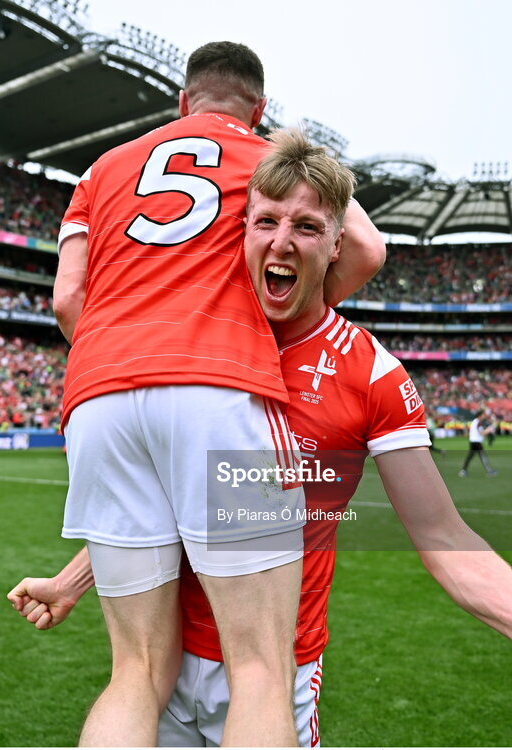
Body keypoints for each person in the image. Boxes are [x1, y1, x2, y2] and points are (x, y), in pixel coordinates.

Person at [10, 131, 512, 745]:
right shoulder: (191, 357)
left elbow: (442, 536)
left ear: (337, 245)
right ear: (241, 232)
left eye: (307, 227)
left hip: (273, 669)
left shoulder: (367, 370)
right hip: (167, 662)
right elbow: (169, 497)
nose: (282, 243)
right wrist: (74, 579)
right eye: (266, 223)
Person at [47, 42, 385, 747]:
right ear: (258, 109)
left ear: (182, 101)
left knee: (135, 671)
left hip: (99, 390)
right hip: (219, 382)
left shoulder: (101, 170)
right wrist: (279, 324)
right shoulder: (265, 160)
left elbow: (66, 297)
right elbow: (367, 250)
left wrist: (122, 359)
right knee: (260, 668)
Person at [459, 409, 498, 477]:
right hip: (477, 442)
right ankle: (489, 471)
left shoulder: (475, 421)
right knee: (483, 456)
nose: (485, 416)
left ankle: (463, 471)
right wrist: (489, 430)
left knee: (470, 457)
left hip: (473, 441)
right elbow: (481, 433)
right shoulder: (478, 422)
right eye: (483, 414)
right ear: (480, 415)